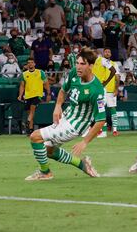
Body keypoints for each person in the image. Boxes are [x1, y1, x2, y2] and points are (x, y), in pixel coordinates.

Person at [25, 48, 105, 181]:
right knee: (49, 151)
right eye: (77, 63)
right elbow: (63, 90)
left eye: (82, 64)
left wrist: (85, 142)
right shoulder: (75, 72)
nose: (78, 66)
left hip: (75, 126)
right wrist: (57, 106)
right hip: (66, 116)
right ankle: (82, 164)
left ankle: (45, 172)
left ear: (91, 66)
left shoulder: (97, 90)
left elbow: (101, 120)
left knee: (35, 137)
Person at [18, 58, 51, 136]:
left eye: (32, 62)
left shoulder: (40, 72)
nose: (30, 64)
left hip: (37, 95)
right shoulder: (24, 74)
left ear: (34, 64)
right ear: (27, 64)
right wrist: (20, 95)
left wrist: (48, 92)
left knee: (32, 110)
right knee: (30, 113)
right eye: (29, 63)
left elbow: (46, 83)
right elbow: (22, 85)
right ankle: (30, 130)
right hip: (28, 96)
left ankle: (27, 121)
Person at [92, 48, 119, 138]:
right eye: (106, 52)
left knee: (112, 109)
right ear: (103, 53)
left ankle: (115, 129)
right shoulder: (98, 62)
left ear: (111, 54)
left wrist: (116, 89)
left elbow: (117, 77)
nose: (107, 53)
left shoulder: (114, 64)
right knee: (100, 109)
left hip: (110, 90)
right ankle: (100, 129)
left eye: (109, 52)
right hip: (101, 89)